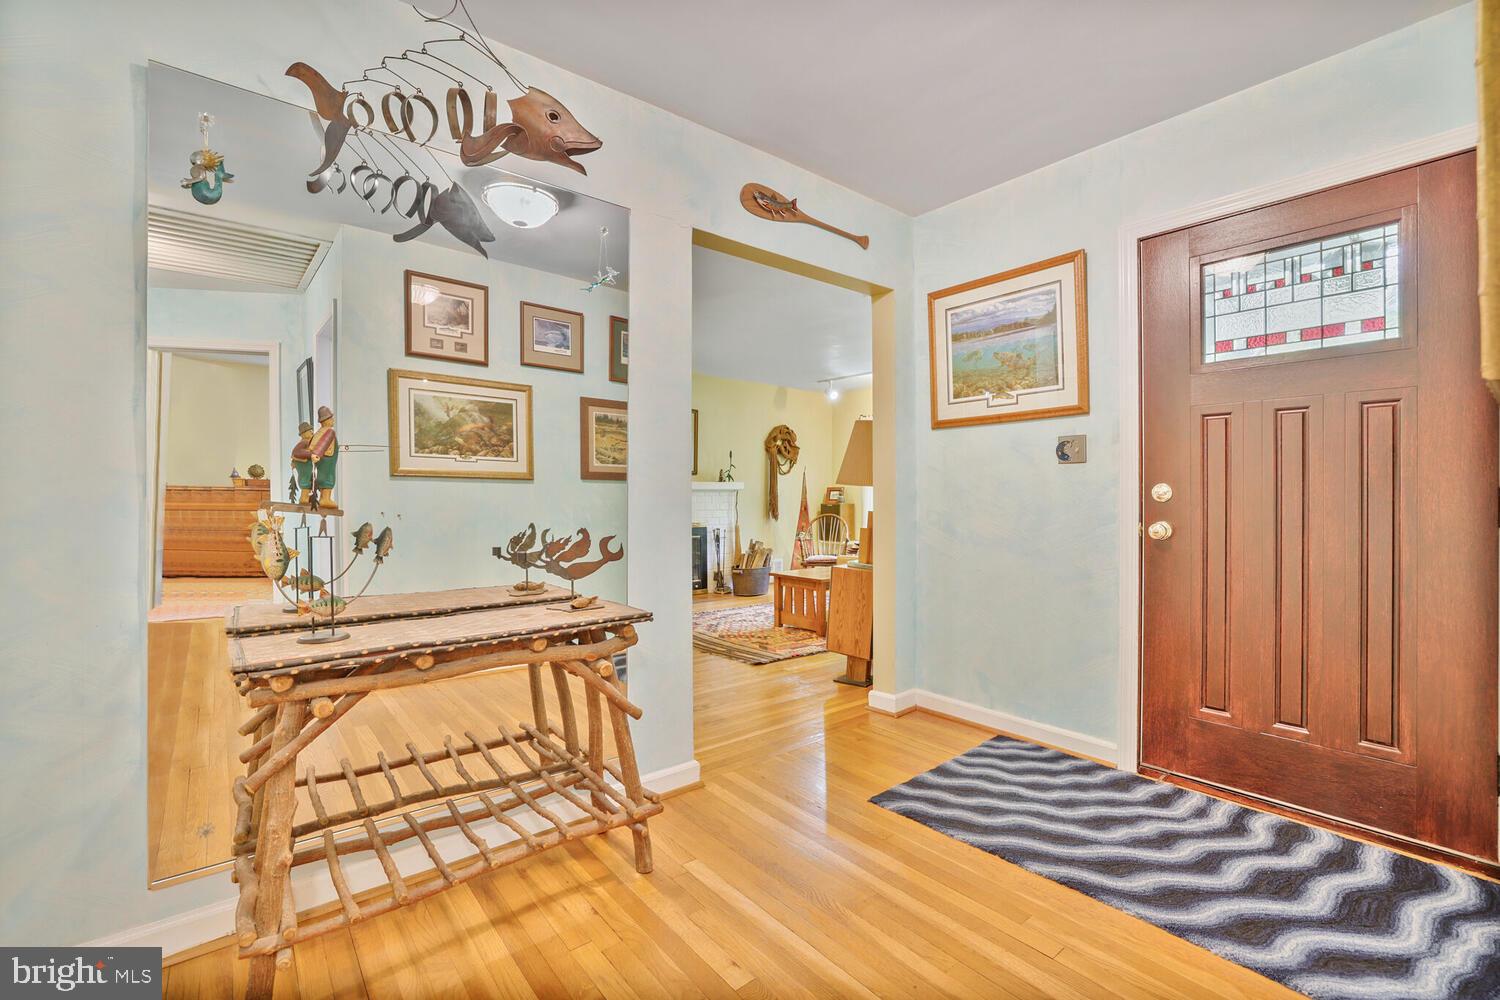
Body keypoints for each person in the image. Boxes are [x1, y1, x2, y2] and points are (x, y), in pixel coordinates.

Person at [309, 406, 339, 507]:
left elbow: (313, 445)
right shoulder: (329, 432)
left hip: (322, 461)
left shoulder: (318, 432)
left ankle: (323, 497)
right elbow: (323, 443)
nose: (333, 420)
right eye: (331, 418)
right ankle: (325, 499)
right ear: (326, 420)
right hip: (327, 461)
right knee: (329, 478)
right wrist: (317, 454)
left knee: (323, 477)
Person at [290, 421, 315, 505]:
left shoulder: (307, 442)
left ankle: (305, 498)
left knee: (307, 480)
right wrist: (311, 454)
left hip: (305, 464)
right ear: (303, 434)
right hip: (303, 464)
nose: (312, 432)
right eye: (309, 431)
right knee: (306, 480)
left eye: (311, 430)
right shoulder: (304, 442)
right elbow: (296, 452)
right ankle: (304, 498)